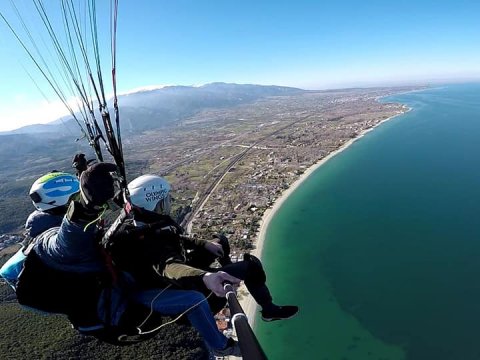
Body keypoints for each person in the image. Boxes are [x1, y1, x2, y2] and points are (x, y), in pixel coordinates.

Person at [13, 163, 242, 357]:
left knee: (191, 273)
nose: (79, 200)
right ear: (68, 203)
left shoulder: (53, 223)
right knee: (193, 298)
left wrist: (86, 172)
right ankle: (221, 346)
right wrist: (87, 207)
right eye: (76, 197)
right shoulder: (49, 240)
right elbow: (67, 241)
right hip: (119, 305)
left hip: (122, 285)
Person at [108, 174, 299, 321]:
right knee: (252, 265)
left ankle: (226, 268)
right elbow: (169, 266)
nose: (169, 203)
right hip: (197, 290)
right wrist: (206, 277)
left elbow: (174, 237)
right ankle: (269, 310)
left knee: (220, 241)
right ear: (153, 202)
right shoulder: (150, 241)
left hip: (181, 277)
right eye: (164, 200)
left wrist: (204, 243)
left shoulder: (142, 224)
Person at [0, 171, 80, 289]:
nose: (82, 200)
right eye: (78, 196)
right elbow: (64, 243)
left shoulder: (44, 222)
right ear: (66, 202)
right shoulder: (52, 235)